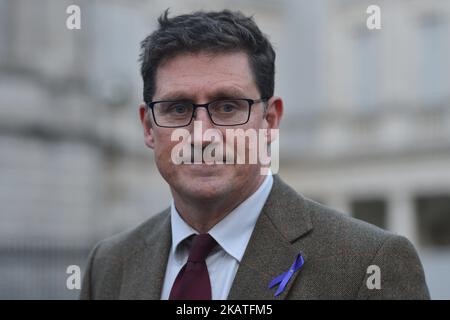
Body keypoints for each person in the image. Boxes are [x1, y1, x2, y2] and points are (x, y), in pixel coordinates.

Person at [80, 9, 429, 300]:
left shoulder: (370, 263)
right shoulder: (109, 265)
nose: (201, 136)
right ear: (147, 126)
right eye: (177, 108)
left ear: (270, 120)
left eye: (228, 107)